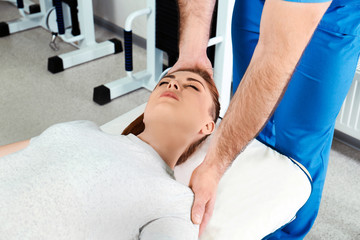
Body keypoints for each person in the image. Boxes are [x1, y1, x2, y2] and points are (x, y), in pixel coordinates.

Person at [170, 0, 360, 238]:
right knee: (252, 132)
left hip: (327, 16)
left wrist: (213, 167)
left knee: (297, 147)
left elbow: (276, 52)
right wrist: (192, 52)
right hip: (255, 5)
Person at [0, 69, 220, 239]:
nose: (171, 83)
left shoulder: (175, 201)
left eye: (192, 87)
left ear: (207, 127)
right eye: (163, 82)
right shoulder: (81, 128)